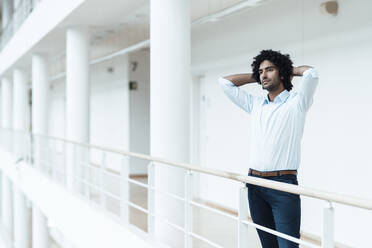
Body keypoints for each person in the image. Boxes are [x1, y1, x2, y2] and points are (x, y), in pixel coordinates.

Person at [219, 49, 319, 248]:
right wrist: (257, 76)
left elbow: (312, 74)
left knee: (288, 245)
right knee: (268, 245)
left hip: (283, 184)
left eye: (269, 70)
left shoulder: (297, 102)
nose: (264, 74)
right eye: (261, 71)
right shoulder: (256, 104)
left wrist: (290, 69)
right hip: (254, 184)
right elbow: (224, 83)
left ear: (282, 73)